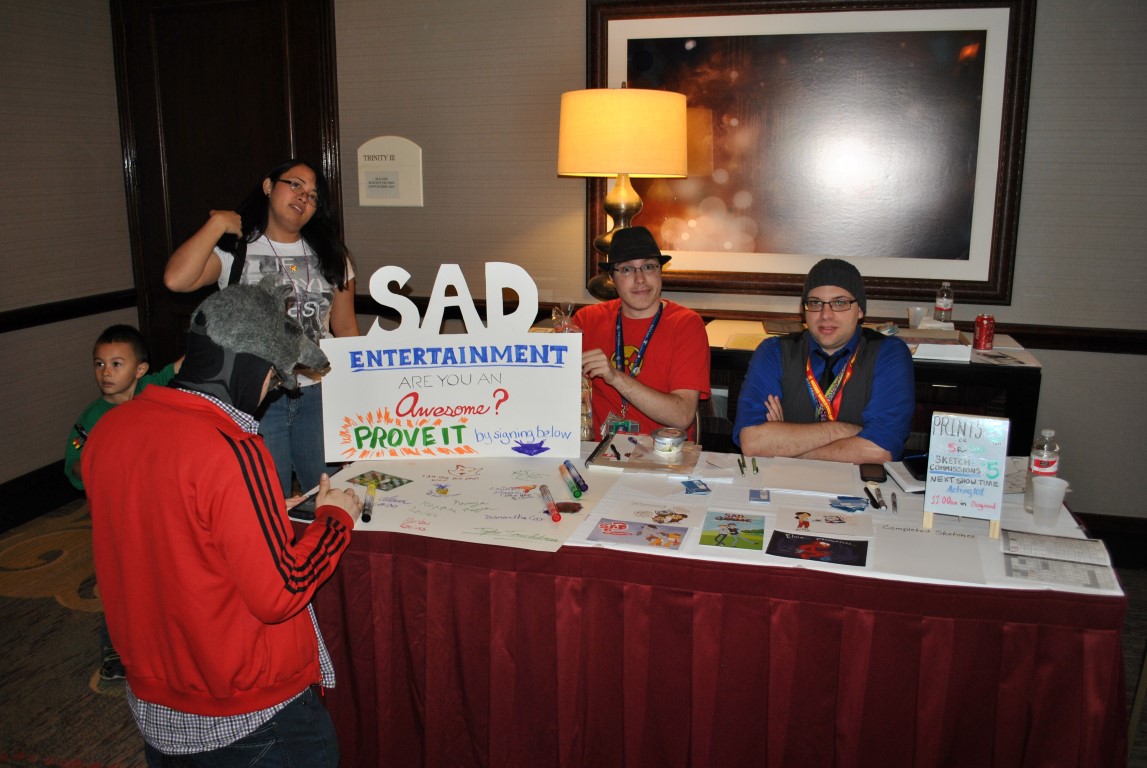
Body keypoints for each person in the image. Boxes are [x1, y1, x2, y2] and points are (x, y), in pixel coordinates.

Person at [83, 278, 362, 766]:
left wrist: (259, 510)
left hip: (156, 699)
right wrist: (336, 519)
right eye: (274, 378)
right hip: (250, 711)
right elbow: (281, 592)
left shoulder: (110, 430)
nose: (270, 392)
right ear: (250, 368)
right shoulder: (231, 448)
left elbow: (164, 530)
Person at [164, 158, 359, 496]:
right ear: (268, 187)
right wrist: (217, 225)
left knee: (328, 493)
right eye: (295, 185)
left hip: (319, 395)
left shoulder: (332, 256)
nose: (304, 196)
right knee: (266, 497)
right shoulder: (235, 250)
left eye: (313, 195)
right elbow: (176, 279)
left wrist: (355, 395)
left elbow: (346, 330)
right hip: (256, 399)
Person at [64, 324, 181, 682]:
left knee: (165, 576)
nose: (106, 372)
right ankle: (114, 648)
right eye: (99, 364)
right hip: (117, 520)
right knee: (120, 584)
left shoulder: (152, 390)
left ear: (140, 369)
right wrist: (99, 464)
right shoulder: (90, 419)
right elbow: (74, 467)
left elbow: (182, 366)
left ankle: (166, 639)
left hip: (159, 512)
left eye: (117, 364)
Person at [733, 258, 914, 464]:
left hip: (858, 482)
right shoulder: (774, 351)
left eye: (840, 303)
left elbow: (879, 451)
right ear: (804, 310)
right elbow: (753, 443)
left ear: (860, 310)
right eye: (815, 303)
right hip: (784, 480)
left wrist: (781, 447)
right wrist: (845, 431)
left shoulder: (888, 353)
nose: (825, 315)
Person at [574, 226, 710, 439]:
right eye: (627, 269)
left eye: (648, 267)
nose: (640, 279)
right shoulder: (586, 320)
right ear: (612, 278)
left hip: (663, 452)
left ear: (660, 271)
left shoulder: (686, 324)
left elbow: (682, 416)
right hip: (598, 450)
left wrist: (614, 377)